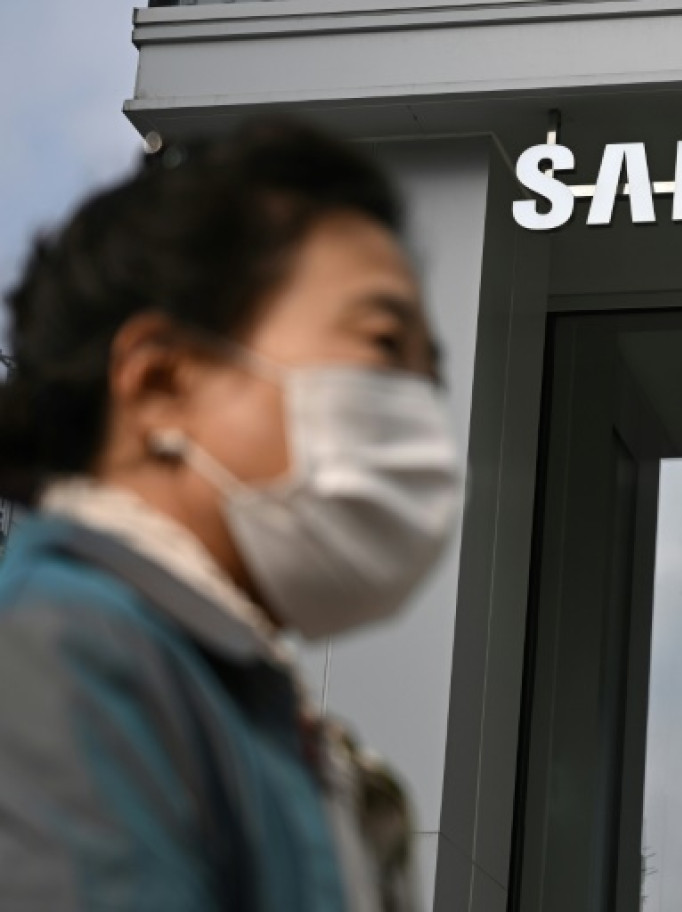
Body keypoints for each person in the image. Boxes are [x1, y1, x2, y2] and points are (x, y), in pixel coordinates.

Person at [0, 119, 462, 911]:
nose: (422, 412)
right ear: (162, 384)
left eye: (431, 374)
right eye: (384, 345)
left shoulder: (246, 709)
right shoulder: (64, 657)